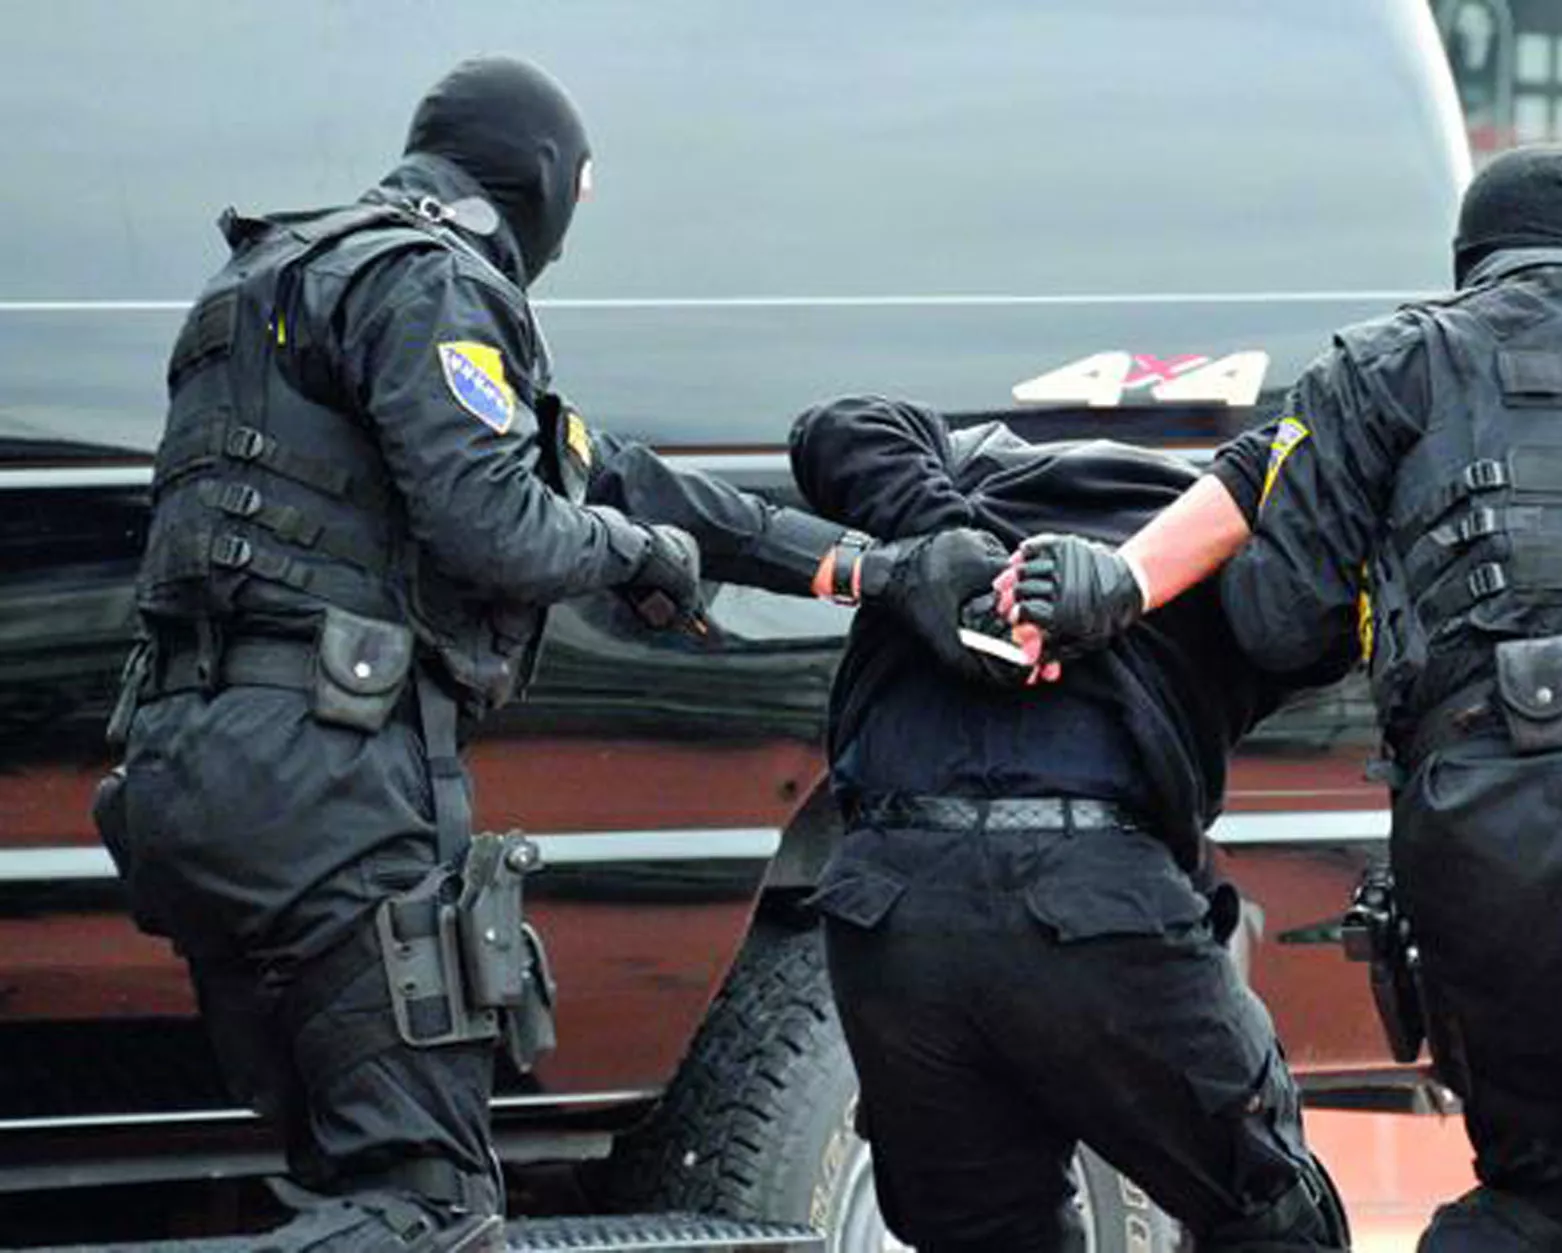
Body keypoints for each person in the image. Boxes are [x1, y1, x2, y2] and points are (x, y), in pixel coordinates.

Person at [98, 57, 1002, 1252]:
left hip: (188, 773)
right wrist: (637, 556)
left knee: (351, 1179)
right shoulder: (431, 280)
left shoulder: (269, 279)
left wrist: (869, 568)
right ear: (540, 182)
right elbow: (498, 524)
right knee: (428, 1211)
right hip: (326, 784)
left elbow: (611, 472)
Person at [1009, 144, 1562, 1253]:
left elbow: (1278, 620)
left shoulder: (1389, 362)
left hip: (1492, 813)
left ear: (1470, 260)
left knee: (1529, 1192)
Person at [789, 394, 1352, 1253]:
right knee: (1273, 1214)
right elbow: (1314, 629)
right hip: (1093, 905)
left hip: (890, 910)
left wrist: (955, 548)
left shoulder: (958, 484)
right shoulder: (1222, 555)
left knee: (983, 1237)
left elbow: (837, 425)